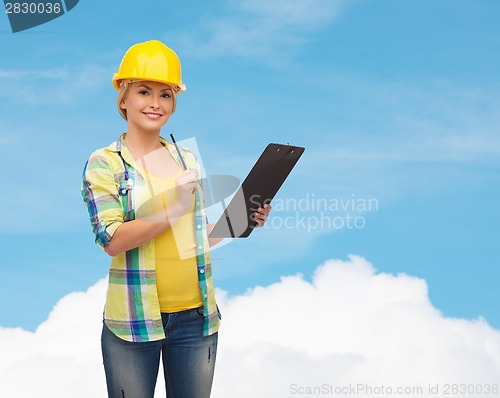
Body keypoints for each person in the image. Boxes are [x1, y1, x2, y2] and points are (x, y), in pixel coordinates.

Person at [81, 40, 271, 398]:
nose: (156, 102)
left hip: (197, 320)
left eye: (166, 94)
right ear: (123, 98)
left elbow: (197, 238)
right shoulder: (104, 162)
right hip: (134, 324)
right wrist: (172, 209)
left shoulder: (186, 158)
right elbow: (112, 240)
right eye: (143, 91)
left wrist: (244, 221)